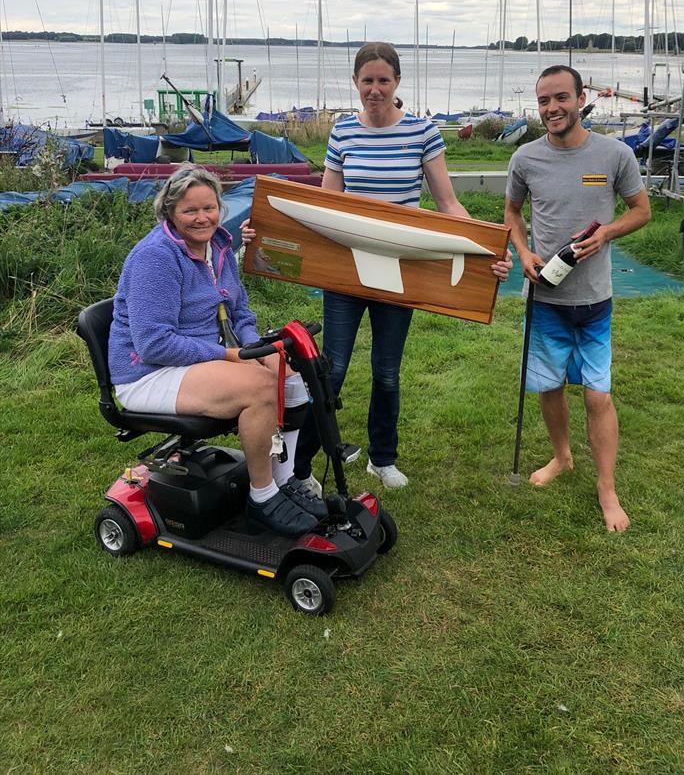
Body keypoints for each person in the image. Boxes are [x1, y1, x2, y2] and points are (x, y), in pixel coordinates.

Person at [286, 41, 512, 491]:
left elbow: (448, 203)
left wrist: (489, 248)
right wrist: (270, 234)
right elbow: (326, 204)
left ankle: (381, 458)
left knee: (387, 373)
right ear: (355, 83)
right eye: (366, 80)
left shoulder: (423, 133)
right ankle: (303, 467)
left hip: (400, 270)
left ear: (397, 83)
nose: (374, 89)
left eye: (383, 80)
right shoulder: (343, 134)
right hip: (347, 269)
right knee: (332, 369)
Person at [108, 165, 326, 537]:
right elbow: (153, 342)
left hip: (197, 358)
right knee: (257, 387)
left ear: (220, 208)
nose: (201, 218)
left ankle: (284, 478)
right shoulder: (156, 258)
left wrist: (255, 344)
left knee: (293, 372)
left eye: (208, 208)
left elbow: (239, 310)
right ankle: (262, 497)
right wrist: (228, 355)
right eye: (189, 211)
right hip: (147, 372)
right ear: (170, 213)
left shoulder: (220, 246)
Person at [504, 65, 651, 532]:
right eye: (544, 100)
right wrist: (523, 251)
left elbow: (641, 210)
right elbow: (510, 211)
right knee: (548, 386)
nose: (552, 108)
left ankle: (607, 490)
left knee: (597, 396)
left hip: (594, 301)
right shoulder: (525, 158)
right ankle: (562, 457)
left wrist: (606, 232)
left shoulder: (614, 153)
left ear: (581, 98)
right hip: (544, 298)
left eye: (561, 98)